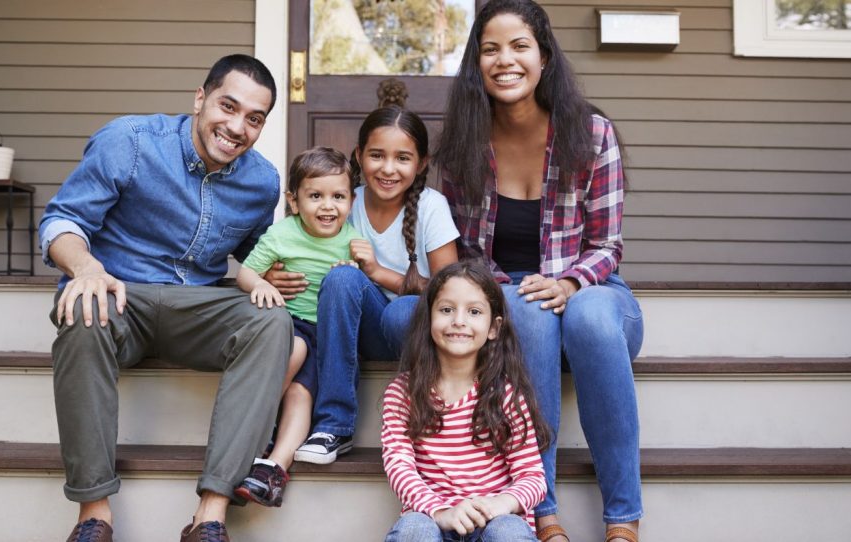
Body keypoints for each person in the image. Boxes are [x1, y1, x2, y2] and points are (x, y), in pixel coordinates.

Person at [384, 2, 645, 541]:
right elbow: (465, 255)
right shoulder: (462, 147)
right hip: (507, 293)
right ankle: (541, 512)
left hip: (593, 289)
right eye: (490, 48)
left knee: (590, 320)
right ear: (476, 63)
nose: (506, 60)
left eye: (520, 46)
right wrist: (503, 290)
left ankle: (623, 520)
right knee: (527, 314)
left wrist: (570, 282)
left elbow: (608, 244)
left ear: (544, 57)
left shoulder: (593, 133)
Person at [38, 54, 291, 542]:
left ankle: (210, 516)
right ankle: (94, 514)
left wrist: (282, 273)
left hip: (196, 309)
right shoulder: (130, 142)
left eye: (254, 119)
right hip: (119, 298)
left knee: (272, 322)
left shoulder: (262, 182)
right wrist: (86, 268)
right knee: (80, 308)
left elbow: (254, 255)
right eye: (228, 106)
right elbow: (61, 222)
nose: (237, 127)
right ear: (200, 99)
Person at [271, 96, 460, 465]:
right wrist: (272, 275)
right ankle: (333, 427)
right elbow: (294, 246)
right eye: (377, 155)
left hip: (411, 333)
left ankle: (425, 423)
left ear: (421, 163)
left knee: (403, 311)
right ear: (358, 156)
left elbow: (451, 290)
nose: (388, 168)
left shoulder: (431, 207)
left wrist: (378, 274)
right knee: (342, 279)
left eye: (402, 158)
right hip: (352, 328)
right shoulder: (340, 200)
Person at [381, 261, 550, 542]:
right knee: (413, 530)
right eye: (447, 310)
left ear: (494, 327)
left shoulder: (506, 394)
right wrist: (441, 510)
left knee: (509, 531)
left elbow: (532, 477)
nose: (459, 320)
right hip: (433, 517)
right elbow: (399, 466)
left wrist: (502, 504)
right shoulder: (404, 393)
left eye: (474, 312)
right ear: (429, 319)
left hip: (493, 520)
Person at [233, 146, 362, 506]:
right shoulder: (281, 235)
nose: (327, 206)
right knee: (295, 354)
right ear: (293, 201)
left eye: (338, 196)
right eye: (315, 196)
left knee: (301, 395)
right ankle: (254, 435)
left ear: (350, 201)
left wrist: (359, 268)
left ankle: (272, 470)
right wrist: (260, 284)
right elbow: (246, 272)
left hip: (327, 337)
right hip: (286, 325)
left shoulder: (352, 240)